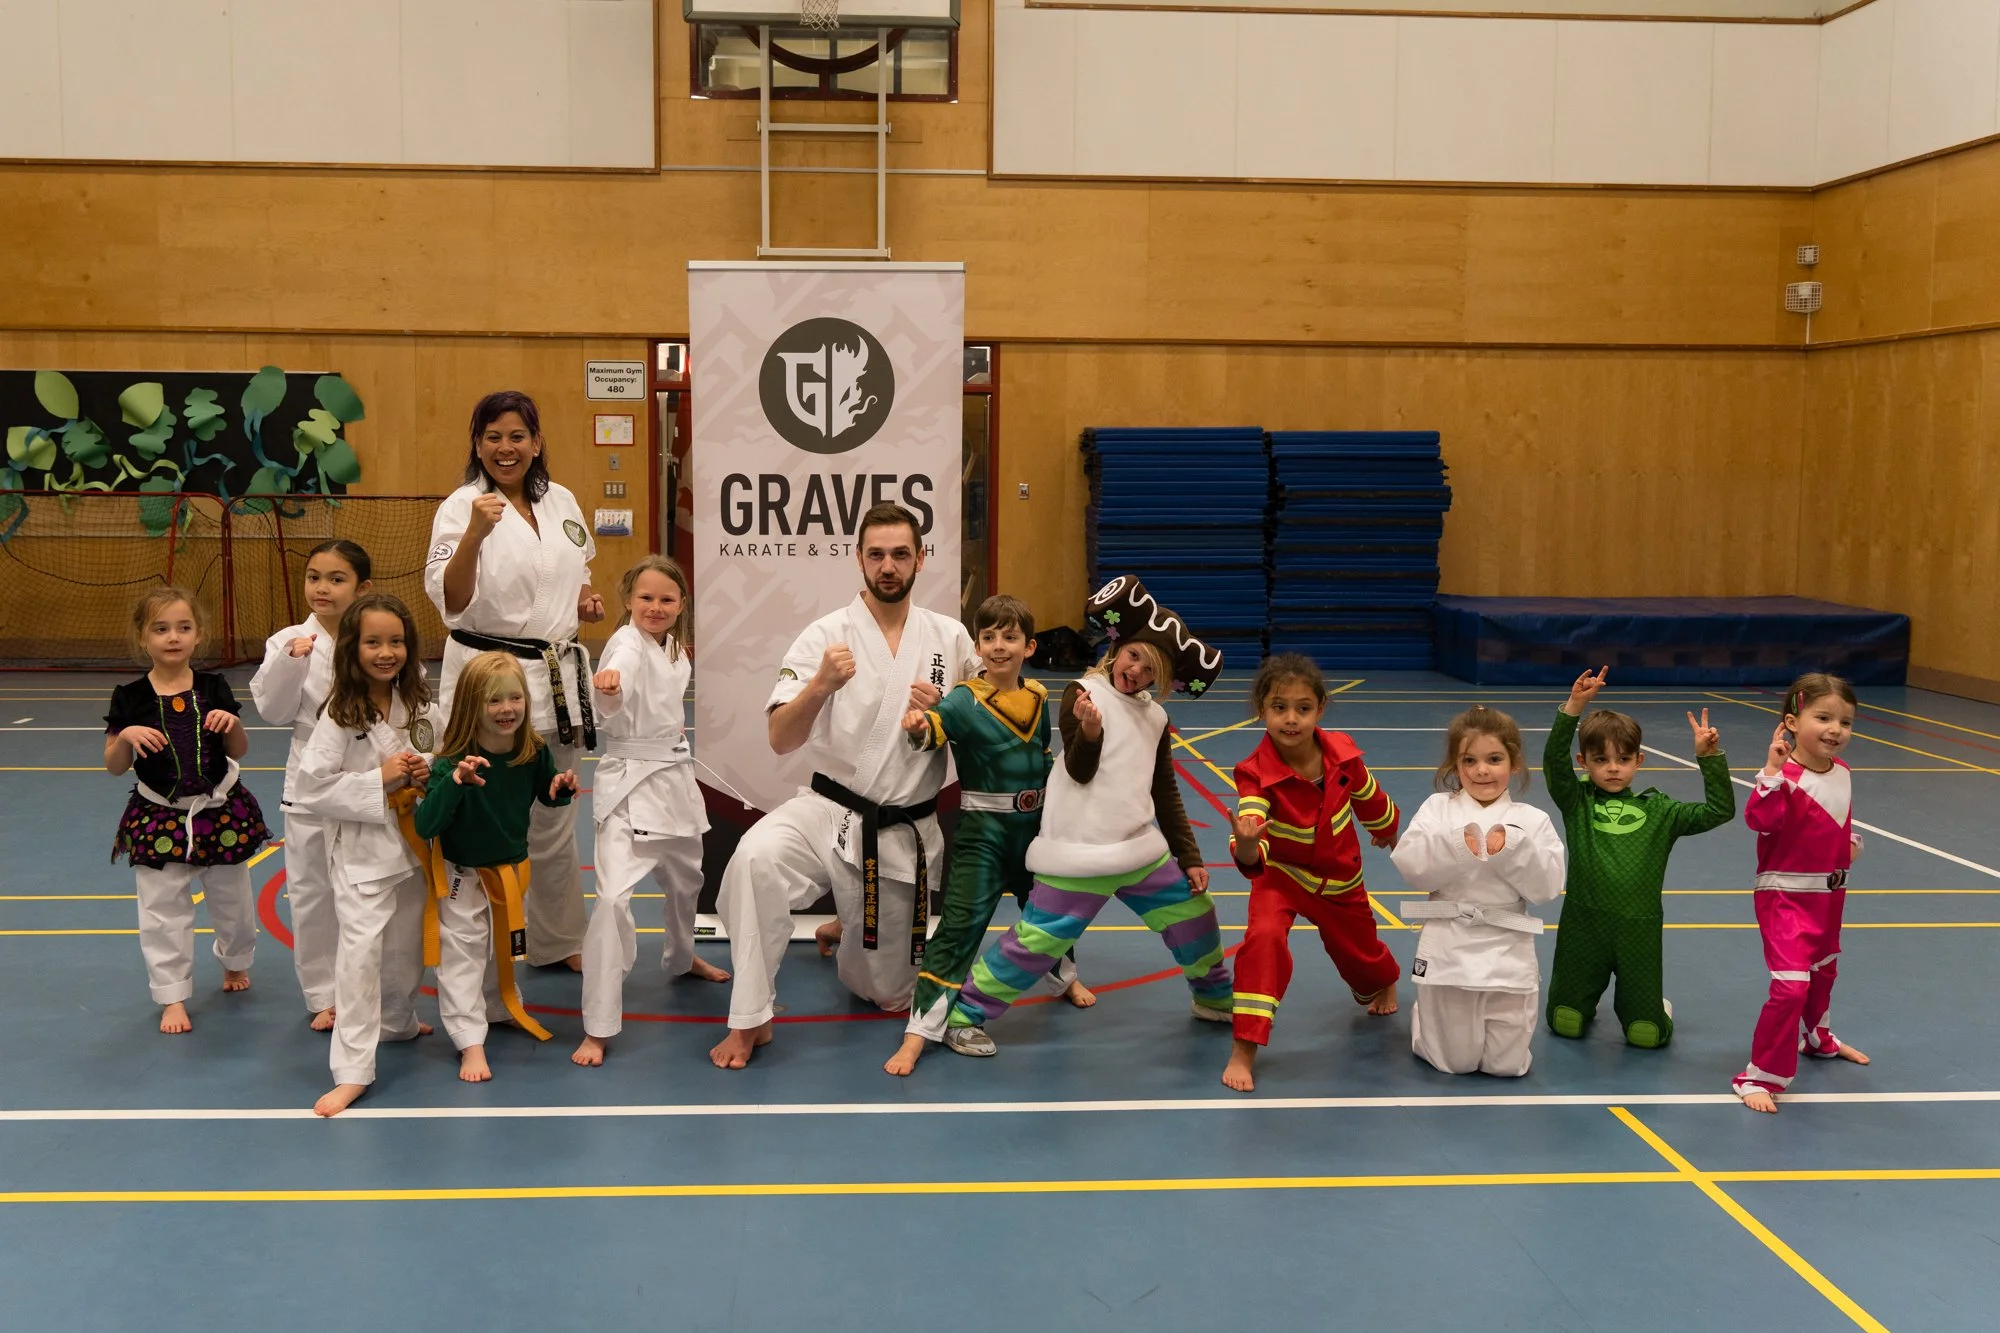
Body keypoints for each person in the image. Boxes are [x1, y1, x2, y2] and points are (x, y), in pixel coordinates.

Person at [709, 503, 979, 1070]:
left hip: (902, 828)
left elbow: (988, 735)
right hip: (827, 810)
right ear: (858, 558)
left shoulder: (951, 639)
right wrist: (820, 687)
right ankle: (751, 1016)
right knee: (755, 859)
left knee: (884, 995)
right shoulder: (825, 635)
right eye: (876, 554)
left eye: (900, 554)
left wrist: (952, 717)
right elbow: (781, 739)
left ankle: (844, 925)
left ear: (920, 559)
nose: (888, 566)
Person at [946, 576, 1234, 1051]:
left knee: (1195, 916)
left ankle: (1214, 998)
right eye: (1135, 656)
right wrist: (1091, 730)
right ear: (1117, 649)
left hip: (1140, 850)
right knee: (1038, 942)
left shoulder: (1156, 718)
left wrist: (1191, 857)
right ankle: (965, 1013)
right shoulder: (1083, 692)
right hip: (1079, 852)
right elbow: (1079, 770)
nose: (1137, 671)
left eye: (1151, 667)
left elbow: (1165, 791)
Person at [425, 390, 602, 971]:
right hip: (487, 679)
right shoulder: (460, 506)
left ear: (537, 442)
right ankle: (477, 947)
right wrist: (475, 533)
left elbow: (572, 569)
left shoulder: (563, 501)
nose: (506, 448)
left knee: (553, 817)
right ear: (477, 444)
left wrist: (582, 600)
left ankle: (558, 942)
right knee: (486, 821)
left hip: (554, 679)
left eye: (517, 436)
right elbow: (451, 602)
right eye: (492, 436)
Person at [885, 594, 1094, 1077]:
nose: (999, 646)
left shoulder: (1041, 697)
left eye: (1010, 637)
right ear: (978, 646)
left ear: (1030, 646)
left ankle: (1065, 978)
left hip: (1037, 830)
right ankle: (919, 1032)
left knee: (1048, 912)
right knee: (960, 926)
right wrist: (918, 724)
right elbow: (932, 731)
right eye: (989, 637)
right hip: (983, 832)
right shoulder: (962, 698)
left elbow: (1042, 755)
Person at [1221, 653, 1402, 1094]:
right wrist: (1246, 843)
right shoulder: (1253, 774)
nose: (1290, 719)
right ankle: (1244, 1047)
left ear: (1320, 709)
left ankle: (1385, 982)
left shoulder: (1343, 755)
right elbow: (1252, 826)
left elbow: (1370, 797)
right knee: (1262, 940)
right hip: (1280, 878)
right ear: (1261, 709)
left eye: (1303, 708)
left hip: (1340, 878)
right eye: (1279, 707)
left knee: (1362, 953)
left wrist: (1387, 831)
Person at [292, 593, 439, 1116]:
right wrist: (380, 778)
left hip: (414, 842)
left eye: (396, 641)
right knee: (359, 957)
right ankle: (352, 1070)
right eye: (373, 642)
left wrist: (427, 771)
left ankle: (397, 1021)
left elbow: (439, 754)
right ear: (351, 648)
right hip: (362, 852)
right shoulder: (339, 712)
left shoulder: (421, 702)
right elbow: (311, 788)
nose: (386, 652)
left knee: (404, 946)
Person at [574, 556, 723, 1068]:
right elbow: (615, 688)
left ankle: (681, 957)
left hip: (674, 779)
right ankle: (597, 1026)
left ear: (681, 605)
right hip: (630, 785)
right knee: (613, 900)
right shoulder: (625, 645)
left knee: (687, 882)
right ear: (628, 601)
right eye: (645, 599)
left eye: (666, 600)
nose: (655, 608)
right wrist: (609, 688)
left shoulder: (676, 648)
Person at [103, 587, 269, 1034]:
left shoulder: (214, 687)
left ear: (199, 636)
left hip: (220, 811)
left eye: (183, 627)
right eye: (160, 628)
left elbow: (240, 750)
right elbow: (114, 767)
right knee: (161, 911)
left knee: (233, 904)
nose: (172, 637)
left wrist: (233, 725)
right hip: (159, 816)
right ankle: (172, 993)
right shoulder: (130, 697)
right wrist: (126, 737)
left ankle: (235, 962)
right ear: (142, 638)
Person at [1543, 666, 1734, 1048]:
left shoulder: (1662, 811)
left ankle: (1653, 1008)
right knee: (1564, 1022)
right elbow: (1553, 764)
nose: (1613, 768)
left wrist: (1709, 759)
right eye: (1601, 760)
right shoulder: (1577, 802)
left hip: (1639, 931)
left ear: (1639, 761)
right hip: (1583, 924)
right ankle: (1585, 1000)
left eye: (1623, 759)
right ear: (1584, 762)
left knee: (1646, 1034)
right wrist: (1574, 707)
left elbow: (1719, 811)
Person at [414, 651, 581, 1083]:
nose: (506, 709)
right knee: (463, 954)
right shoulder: (454, 761)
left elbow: (545, 795)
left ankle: (497, 1004)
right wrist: (454, 784)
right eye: (493, 701)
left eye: (514, 698)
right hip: (461, 875)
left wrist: (560, 788)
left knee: (502, 948)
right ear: (472, 704)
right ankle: (469, 1039)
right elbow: (426, 823)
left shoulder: (532, 750)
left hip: (509, 869)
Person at [1392, 706, 1564, 1077]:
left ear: (1514, 763)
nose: (1482, 770)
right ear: (1455, 765)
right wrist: (1457, 845)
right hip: (1450, 945)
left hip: (1508, 945)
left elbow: (1547, 887)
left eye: (1494, 759)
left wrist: (1513, 847)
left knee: (1507, 1066)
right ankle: (1427, 1016)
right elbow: (1412, 868)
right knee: (1456, 1063)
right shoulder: (1438, 809)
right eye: (1469, 760)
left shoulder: (1532, 820)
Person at [1732, 673, 1870, 1114]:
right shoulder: (1783, 776)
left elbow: (1834, 821)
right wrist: (1771, 771)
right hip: (1785, 898)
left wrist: (1848, 848)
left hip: (1829, 896)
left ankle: (1818, 1038)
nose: (1836, 730)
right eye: (1824, 717)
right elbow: (1762, 820)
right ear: (1792, 721)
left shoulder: (1844, 772)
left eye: (1845, 722)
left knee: (1823, 972)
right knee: (1791, 987)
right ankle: (1759, 1075)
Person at [249, 538, 371, 1031]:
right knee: (311, 893)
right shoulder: (286, 642)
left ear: (363, 587)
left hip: (368, 775)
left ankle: (372, 992)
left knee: (369, 892)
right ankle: (323, 995)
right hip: (309, 781)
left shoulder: (375, 635)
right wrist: (291, 663)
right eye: (314, 577)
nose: (322, 588)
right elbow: (273, 712)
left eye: (336, 579)